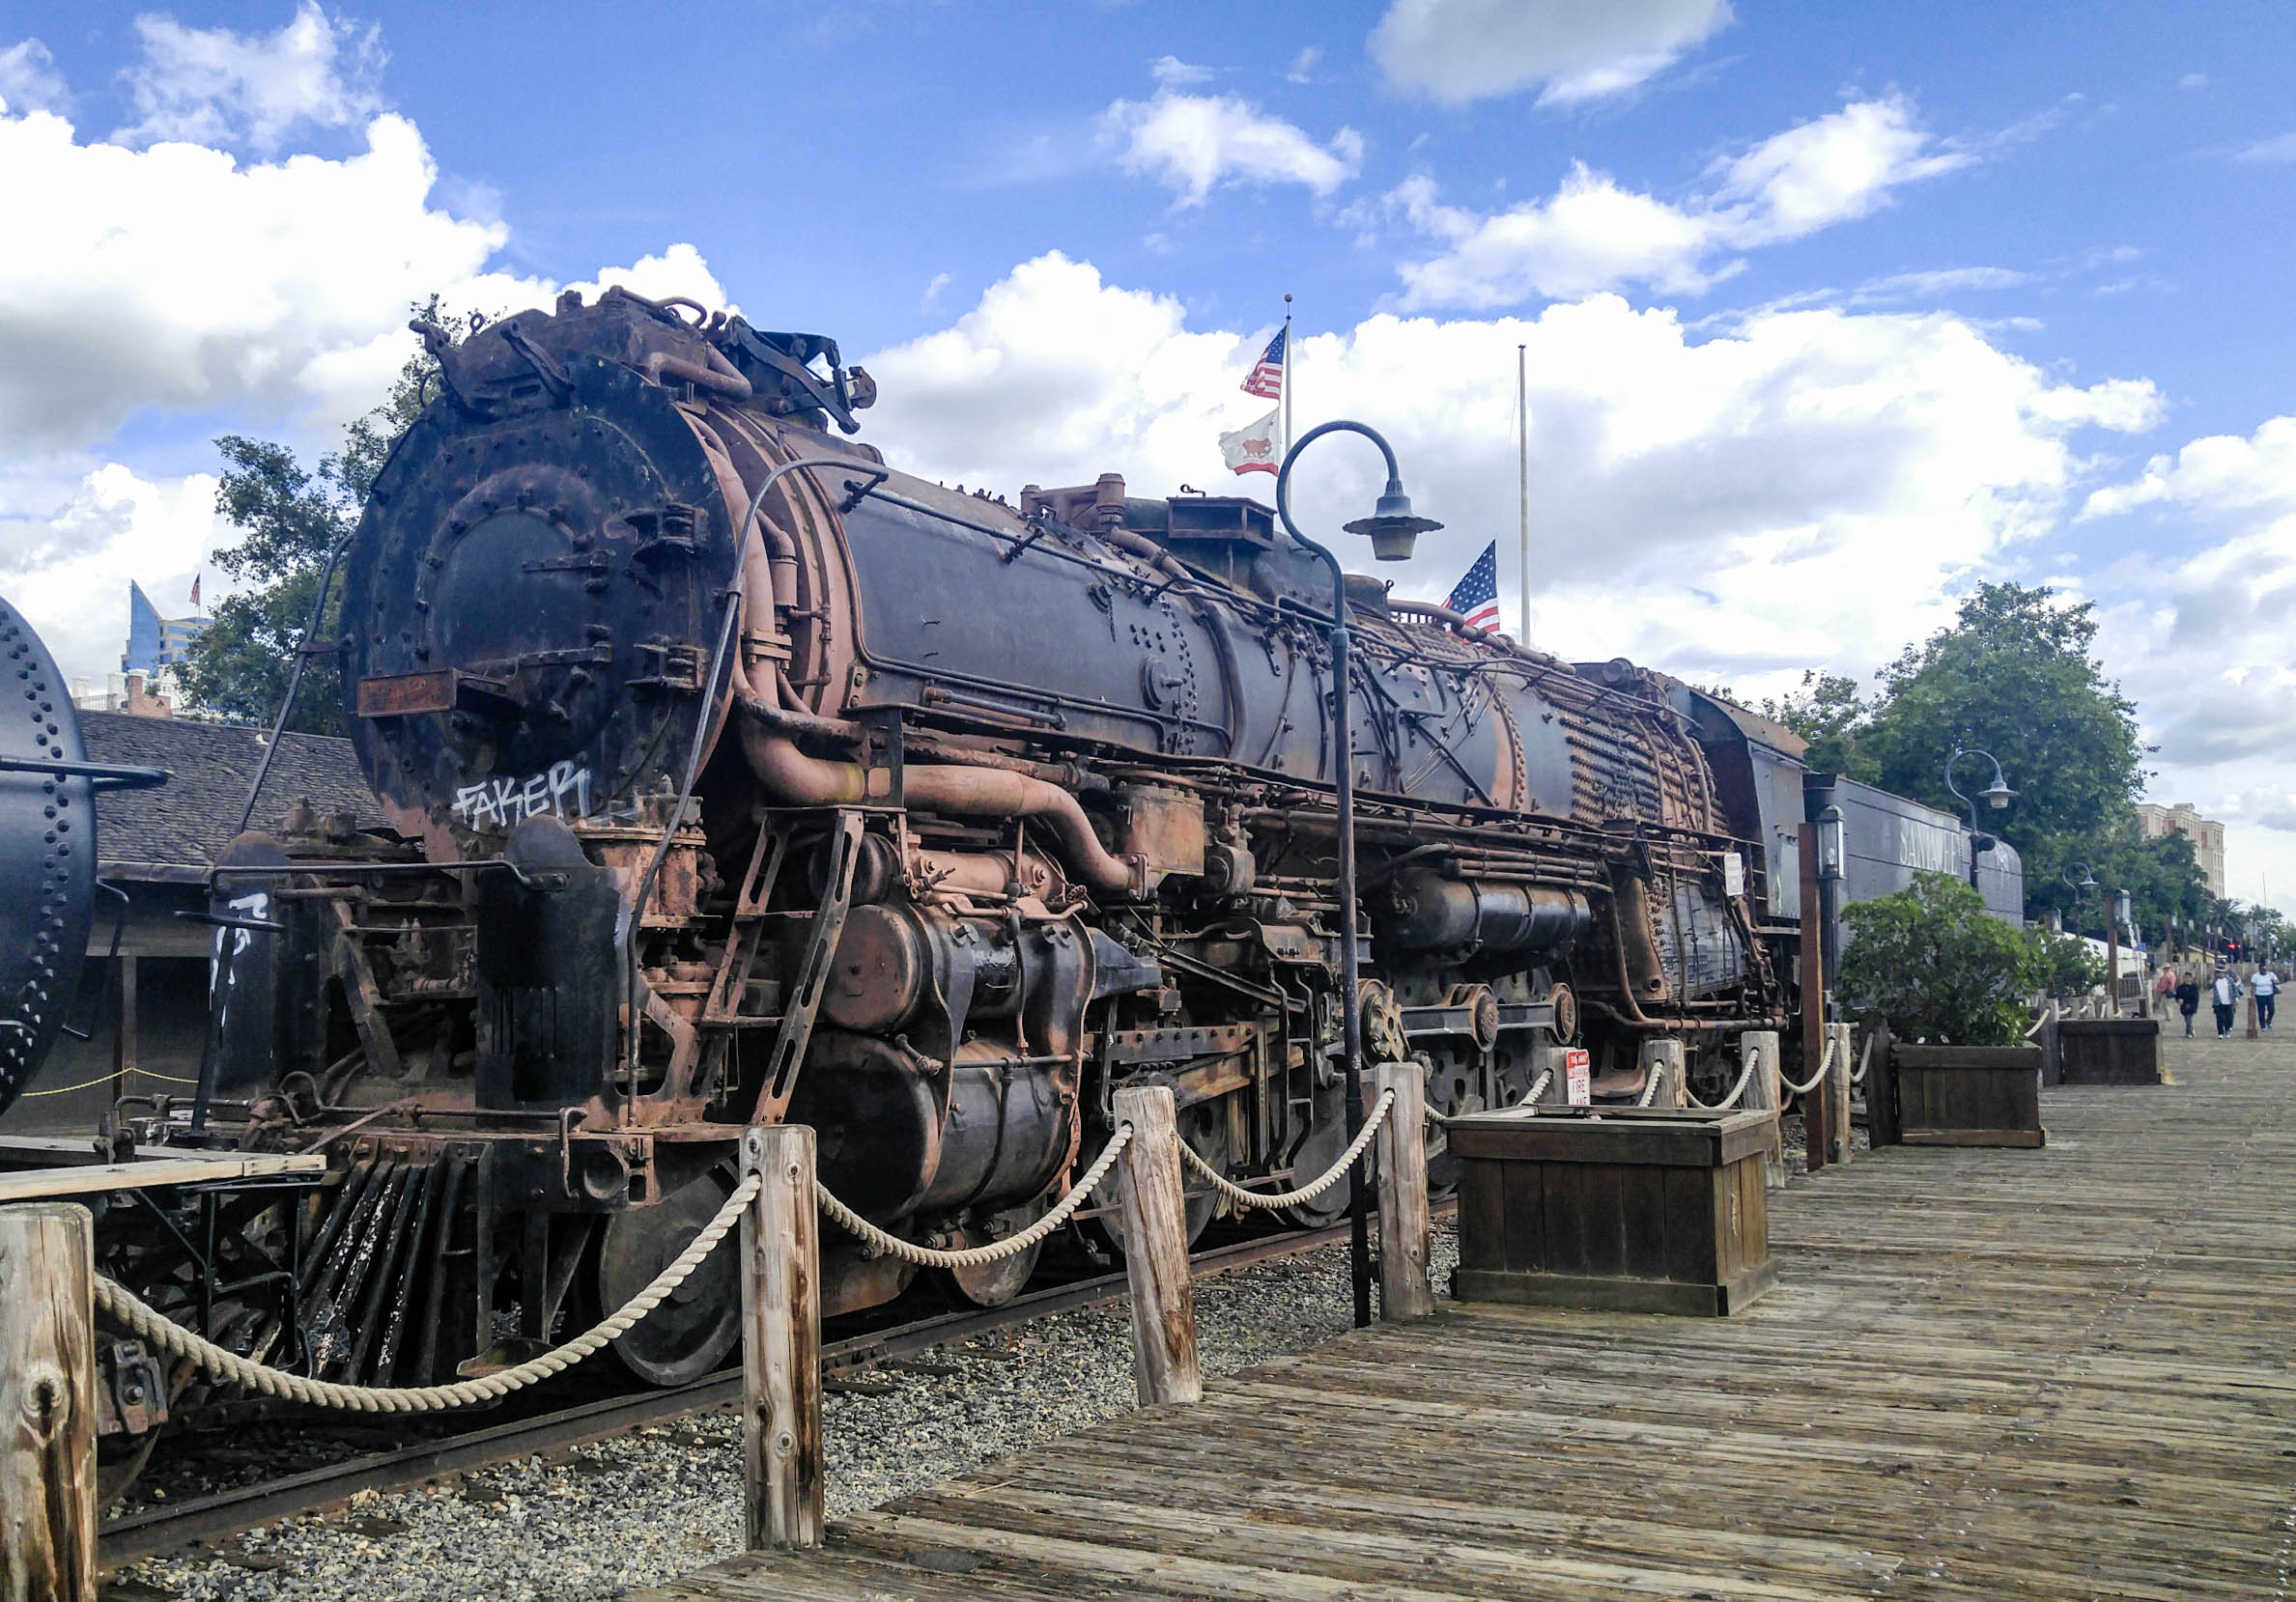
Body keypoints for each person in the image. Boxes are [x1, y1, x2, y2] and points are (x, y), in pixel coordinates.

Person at [2211, 965, 2242, 1038]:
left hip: (2229, 1002)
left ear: (2224, 973)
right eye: (2217, 973)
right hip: (2218, 1003)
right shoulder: (2214, 981)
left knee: (2229, 1017)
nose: (2219, 974)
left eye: (2220, 973)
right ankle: (2220, 1033)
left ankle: (2227, 1030)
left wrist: (2236, 998)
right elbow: (2209, 987)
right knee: (2220, 1018)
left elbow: (2234, 989)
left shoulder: (2230, 980)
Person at [2175, 970, 2201, 1037]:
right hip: (2184, 1006)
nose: (2187, 979)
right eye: (2186, 978)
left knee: (2188, 1019)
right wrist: (2179, 1000)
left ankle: (2189, 1032)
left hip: (2192, 1006)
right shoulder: (2180, 987)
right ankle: (2190, 1031)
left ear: (2191, 978)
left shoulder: (2195, 987)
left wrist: (2191, 1004)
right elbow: (2177, 996)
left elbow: (2196, 998)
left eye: (2189, 978)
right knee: (2187, 1019)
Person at [2253, 965, 2279, 1030]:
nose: (2263, 971)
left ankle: (2268, 1021)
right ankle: (2263, 1026)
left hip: (2269, 995)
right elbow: (2253, 986)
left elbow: (2277, 981)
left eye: (2265, 969)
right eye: (2262, 970)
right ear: (2259, 970)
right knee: (2261, 1011)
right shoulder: (2255, 976)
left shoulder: (2271, 974)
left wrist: (2274, 981)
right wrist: (2252, 995)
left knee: (2272, 1010)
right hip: (2259, 995)